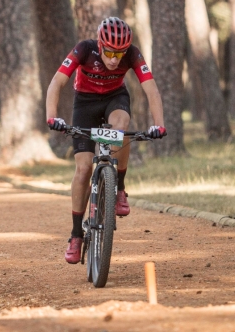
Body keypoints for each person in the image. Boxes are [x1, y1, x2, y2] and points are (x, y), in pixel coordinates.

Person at [46, 17, 166, 264]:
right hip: (85, 104)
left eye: (120, 54)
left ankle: (119, 188)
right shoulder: (84, 49)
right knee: (82, 170)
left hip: (115, 98)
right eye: (109, 52)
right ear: (100, 45)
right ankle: (76, 234)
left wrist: (159, 123)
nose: (114, 59)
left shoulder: (132, 54)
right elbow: (56, 82)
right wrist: (52, 117)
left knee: (121, 126)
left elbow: (151, 88)